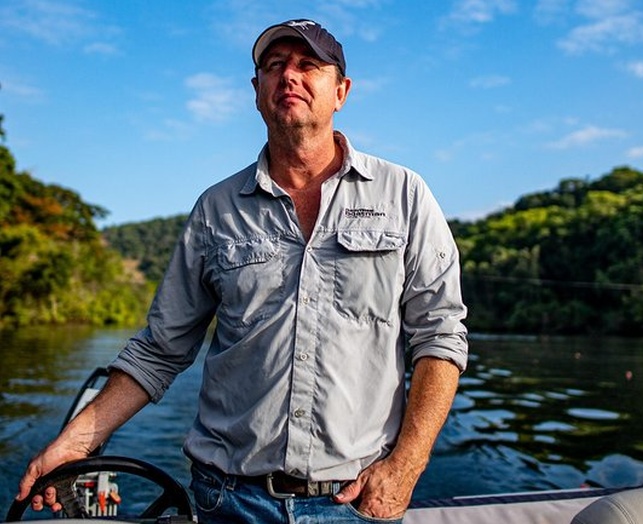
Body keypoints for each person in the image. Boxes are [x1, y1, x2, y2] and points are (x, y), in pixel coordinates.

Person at [17, 18, 468, 523]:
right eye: (274, 67)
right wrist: (76, 440)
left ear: (341, 91)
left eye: (307, 66)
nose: (289, 77)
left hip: (353, 502)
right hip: (227, 500)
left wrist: (406, 465)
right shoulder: (215, 209)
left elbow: (440, 337)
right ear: (257, 93)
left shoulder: (404, 195)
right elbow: (160, 349)